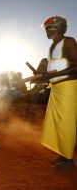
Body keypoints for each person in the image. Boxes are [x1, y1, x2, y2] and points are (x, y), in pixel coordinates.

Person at [34, 16, 77, 170]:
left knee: (66, 123)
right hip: (57, 88)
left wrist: (50, 75)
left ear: (59, 28)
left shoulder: (69, 41)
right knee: (57, 122)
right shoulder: (51, 47)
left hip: (69, 86)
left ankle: (69, 161)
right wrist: (40, 77)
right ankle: (62, 153)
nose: (46, 31)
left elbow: (76, 67)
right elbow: (51, 70)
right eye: (45, 28)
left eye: (49, 28)